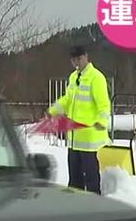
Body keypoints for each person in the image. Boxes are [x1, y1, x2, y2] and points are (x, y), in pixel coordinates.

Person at [47, 45, 111, 194]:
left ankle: (94, 201)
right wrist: (53, 110)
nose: (77, 62)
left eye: (79, 58)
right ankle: (75, 202)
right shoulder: (73, 77)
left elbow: (104, 105)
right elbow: (68, 100)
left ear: (86, 57)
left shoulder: (96, 77)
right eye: (74, 59)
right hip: (74, 137)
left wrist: (102, 122)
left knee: (90, 176)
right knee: (74, 177)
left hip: (89, 138)